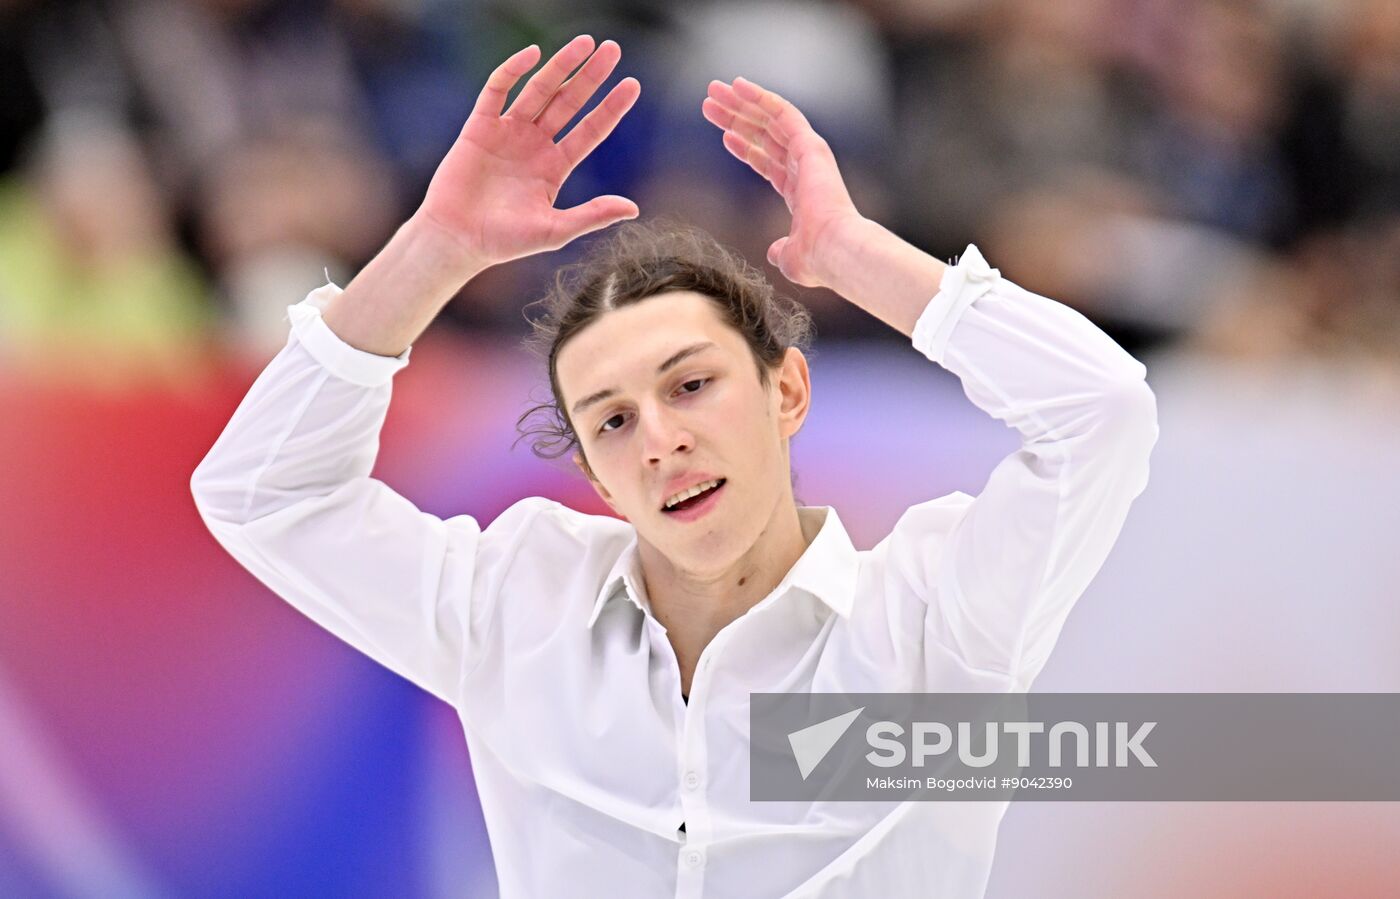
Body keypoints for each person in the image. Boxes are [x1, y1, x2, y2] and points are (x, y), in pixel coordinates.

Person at [190, 35, 1159, 898]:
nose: (657, 438)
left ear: (787, 394)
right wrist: (434, 251)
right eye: (610, 420)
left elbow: (1099, 413)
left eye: (689, 385)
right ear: (599, 480)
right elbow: (262, 488)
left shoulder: (933, 614)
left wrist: (854, 256)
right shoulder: (517, 603)